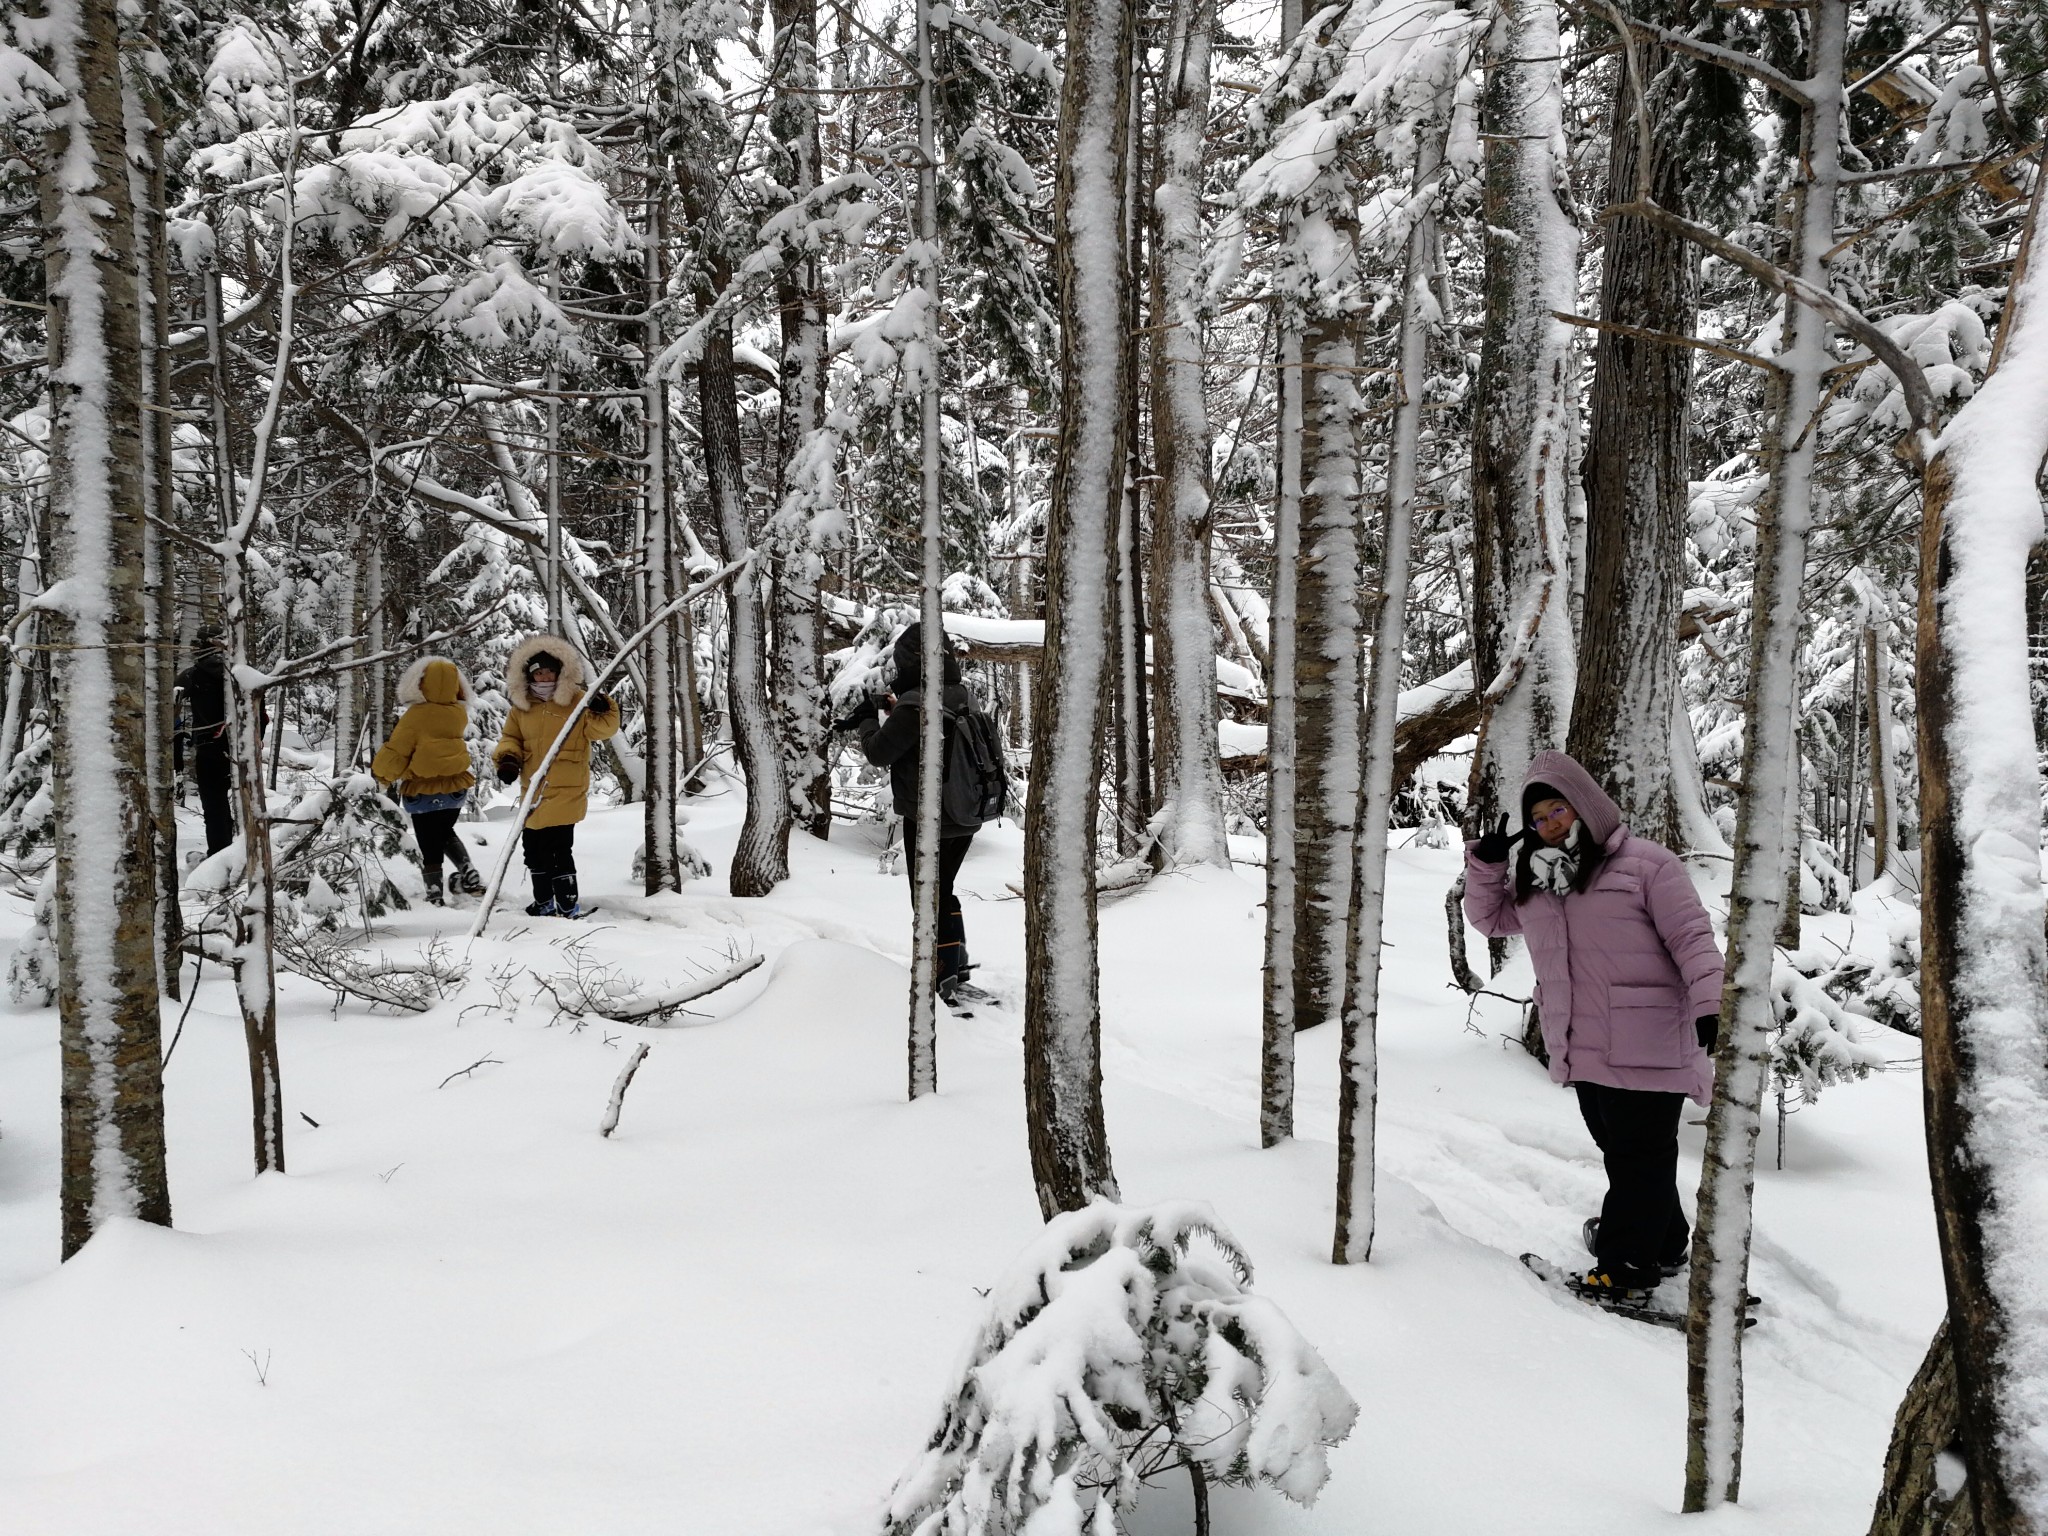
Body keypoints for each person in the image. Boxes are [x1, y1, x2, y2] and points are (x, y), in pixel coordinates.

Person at [1462, 749, 1725, 1305]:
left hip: (1649, 1039)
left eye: (1556, 810)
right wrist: (1485, 866)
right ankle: (1667, 1242)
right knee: (1628, 1152)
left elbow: (1693, 938)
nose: (1548, 824)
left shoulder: (1648, 865)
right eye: (1538, 819)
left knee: (1636, 1157)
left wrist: (1711, 1003)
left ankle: (1627, 1267)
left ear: (1583, 804)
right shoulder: (1538, 882)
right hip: (1583, 1042)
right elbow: (1489, 920)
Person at [843, 622, 978, 1000]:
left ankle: (941, 978)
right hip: (965, 813)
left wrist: (869, 718)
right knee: (943, 890)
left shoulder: (917, 705)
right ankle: (955, 967)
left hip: (930, 816)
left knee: (927, 897)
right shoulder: (960, 693)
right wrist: (897, 704)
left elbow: (878, 752)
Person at [493, 635, 617, 918]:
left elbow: (605, 729)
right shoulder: (521, 707)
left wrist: (603, 705)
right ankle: (544, 902)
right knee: (533, 849)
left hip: (566, 790)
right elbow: (510, 738)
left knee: (560, 850)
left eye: (549, 671)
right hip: (533, 790)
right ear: (529, 675)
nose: (544, 676)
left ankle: (567, 904)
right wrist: (509, 759)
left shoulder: (576, 702)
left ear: (560, 672)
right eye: (538, 672)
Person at [370, 656, 486, 906]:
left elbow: (398, 750)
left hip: (423, 791)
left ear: (421, 683)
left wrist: (381, 775)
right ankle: (467, 870)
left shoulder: (416, 715)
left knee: (429, 841)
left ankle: (434, 894)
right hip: (456, 789)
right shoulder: (458, 712)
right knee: (444, 832)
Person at [174, 628, 236, 856]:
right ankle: (244, 854)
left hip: (209, 748)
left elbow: (169, 705)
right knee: (245, 802)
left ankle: (220, 854)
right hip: (241, 748)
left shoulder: (191, 675)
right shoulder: (239, 672)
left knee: (214, 806)